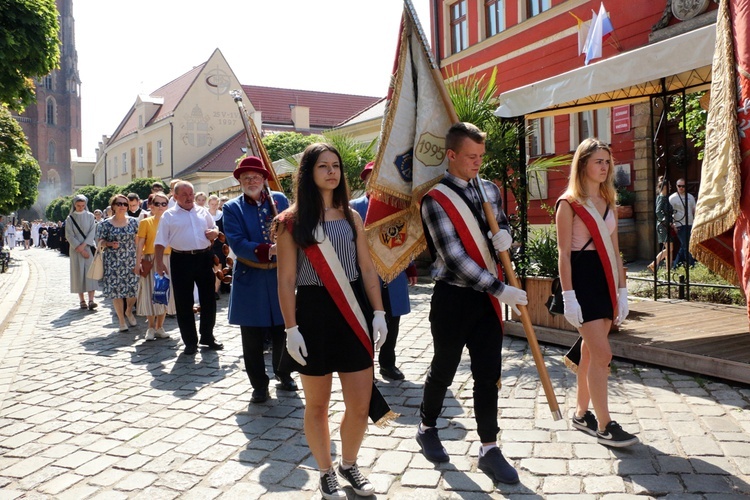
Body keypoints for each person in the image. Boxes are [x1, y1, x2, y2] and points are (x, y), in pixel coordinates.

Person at [276, 143, 388, 499]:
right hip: (313, 313)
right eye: (323, 166)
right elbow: (287, 280)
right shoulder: (290, 222)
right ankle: (325, 470)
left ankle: (349, 464)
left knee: (359, 403)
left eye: (336, 165)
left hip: (353, 310)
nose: (332, 172)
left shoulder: (352, 216)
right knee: (318, 404)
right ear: (308, 173)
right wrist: (291, 328)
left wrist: (380, 312)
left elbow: (367, 269)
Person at [417, 122, 526, 484]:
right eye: (470, 157)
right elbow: (454, 258)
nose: (478, 162)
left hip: (487, 301)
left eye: (481, 156)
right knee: (444, 367)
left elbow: (504, 236)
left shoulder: (491, 190)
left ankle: (489, 448)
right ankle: (428, 424)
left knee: (488, 374)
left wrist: (508, 240)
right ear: (451, 155)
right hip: (454, 297)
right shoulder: (435, 200)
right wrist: (500, 289)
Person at [556, 137, 637, 448]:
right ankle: (604, 425)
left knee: (590, 353)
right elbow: (564, 255)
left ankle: (580, 414)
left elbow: (616, 252)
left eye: (607, 162)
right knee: (603, 354)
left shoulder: (608, 202)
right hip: (582, 281)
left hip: (605, 279)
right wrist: (569, 296)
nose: (604, 167)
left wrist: (622, 290)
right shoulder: (568, 203)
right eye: (598, 161)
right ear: (583, 164)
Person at [223, 156, 298, 404]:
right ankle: (259, 385)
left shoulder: (279, 200)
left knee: (282, 330)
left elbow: (294, 229)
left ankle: (282, 373)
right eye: (246, 178)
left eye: (256, 177)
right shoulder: (232, 208)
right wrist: (269, 249)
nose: (251, 181)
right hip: (250, 277)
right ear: (240, 182)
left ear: (264, 179)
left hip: (279, 275)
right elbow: (237, 243)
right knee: (252, 337)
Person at [350, 161, 416, 380]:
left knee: (393, 319)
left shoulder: (397, 207)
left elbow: (406, 240)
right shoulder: (352, 208)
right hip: (364, 273)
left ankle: (388, 363)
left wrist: (411, 266)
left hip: (393, 273)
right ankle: (364, 363)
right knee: (366, 318)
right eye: (371, 178)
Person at [154, 181, 223, 355]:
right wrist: (159, 263)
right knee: (184, 302)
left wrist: (214, 232)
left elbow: (213, 227)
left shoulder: (202, 211)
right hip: (181, 259)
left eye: (191, 194)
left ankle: (207, 336)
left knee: (209, 299)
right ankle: (190, 341)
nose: (189, 198)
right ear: (175, 197)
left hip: (203, 257)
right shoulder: (169, 216)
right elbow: (160, 241)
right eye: (184, 194)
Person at [134, 193, 175, 341]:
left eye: (164, 204)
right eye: (157, 204)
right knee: (150, 293)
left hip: (168, 258)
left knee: (164, 293)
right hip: (150, 259)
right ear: (150, 205)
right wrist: (137, 263)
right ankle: (151, 327)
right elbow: (140, 245)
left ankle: (160, 326)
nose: (161, 207)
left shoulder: (171, 221)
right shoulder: (146, 222)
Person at [97, 194, 140, 332]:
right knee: (116, 292)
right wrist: (109, 243)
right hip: (112, 262)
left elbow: (138, 242)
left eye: (125, 204)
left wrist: (140, 258)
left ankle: (128, 310)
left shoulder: (134, 222)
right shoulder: (104, 224)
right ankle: (121, 320)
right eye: (119, 204)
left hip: (131, 260)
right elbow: (100, 243)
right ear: (114, 206)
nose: (122, 206)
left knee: (134, 290)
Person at [65, 194, 99, 310]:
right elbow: (69, 235)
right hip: (75, 250)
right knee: (78, 273)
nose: (80, 207)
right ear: (74, 205)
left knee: (90, 274)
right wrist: (78, 248)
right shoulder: (70, 218)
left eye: (83, 205)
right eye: (78, 206)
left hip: (88, 247)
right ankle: (82, 300)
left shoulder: (90, 216)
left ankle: (91, 300)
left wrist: (84, 246)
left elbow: (92, 232)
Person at [669, 178, 697, 268]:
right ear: (676, 186)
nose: (681, 188)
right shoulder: (672, 198)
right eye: (679, 186)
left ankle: (675, 266)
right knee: (686, 245)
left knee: (684, 245)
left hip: (690, 223)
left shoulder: (690, 197)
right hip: (679, 224)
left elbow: (694, 210)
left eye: (683, 186)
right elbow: (669, 213)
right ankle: (691, 265)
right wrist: (672, 225)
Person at [647, 176, 673, 272]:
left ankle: (668, 270)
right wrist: (666, 221)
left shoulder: (664, 198)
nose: (670, 188)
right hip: (663, 226)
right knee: (670, 248)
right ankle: (653, 264)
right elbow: (658, 211)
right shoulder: (662, 198)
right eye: (669, 186)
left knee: (669, 249)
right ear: (665, 187)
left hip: (665, 225)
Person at [207, 194, 226, 299]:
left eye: (216, 204)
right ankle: (209, 289)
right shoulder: (205, 214)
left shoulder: (222, 215)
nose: (214, 206)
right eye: (212, 204)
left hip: (220, 244)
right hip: (208, 245)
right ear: (209, 204)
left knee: (218, 267)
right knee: (209, 268)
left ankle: (215, 290)